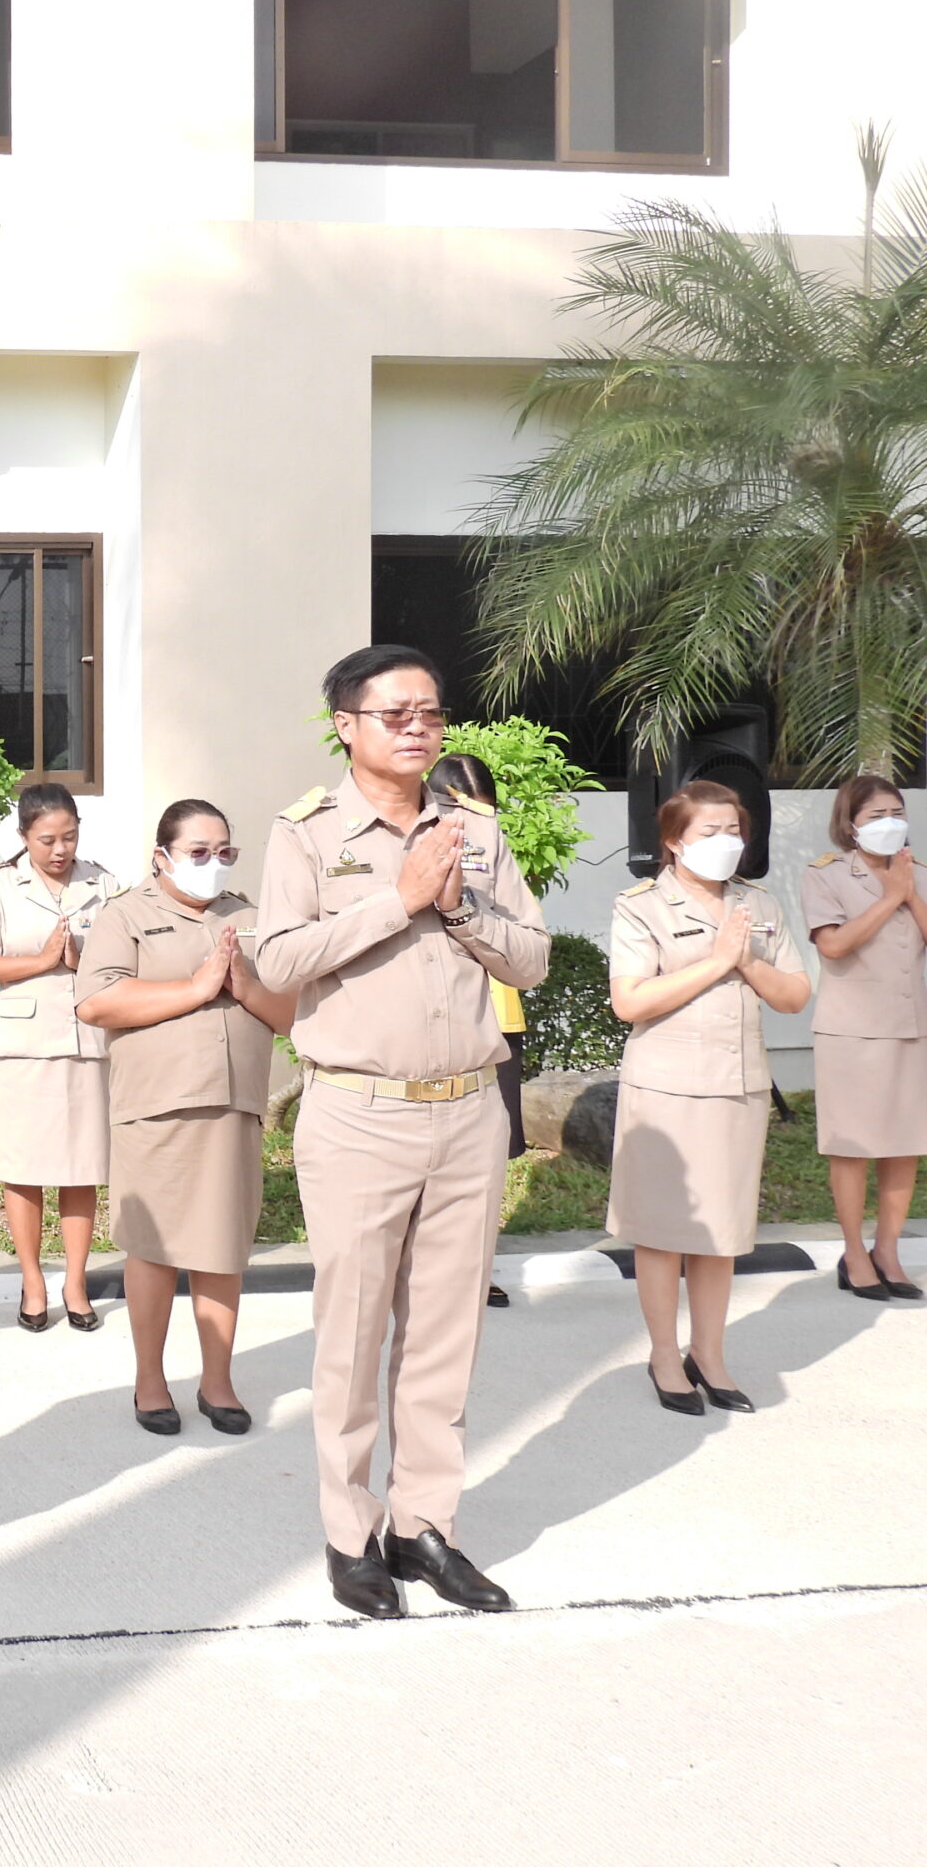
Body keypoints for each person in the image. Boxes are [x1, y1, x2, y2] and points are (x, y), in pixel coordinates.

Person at [254, 645, 549, 1620]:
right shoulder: (305, 835)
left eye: (431, 712)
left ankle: (424, 1528)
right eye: (396, 714)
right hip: (358, 1113)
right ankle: (351, 1537)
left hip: (467, 1109)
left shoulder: (475, 831)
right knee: (350, 1337)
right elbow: (279, 961)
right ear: (347, 726)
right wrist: (400, 900)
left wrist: (456, 904)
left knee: (443, 1334)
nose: (419, 727)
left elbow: (531, 958)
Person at [74, 801, 294, 1436]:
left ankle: (217, 1381)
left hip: (233, 1104)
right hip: (156, 1106)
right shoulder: (125, 915)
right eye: (198, 852)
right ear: (161, 856)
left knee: (222, 1245)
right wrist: (195, 990)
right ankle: (150, 1380)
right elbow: (97, 1001)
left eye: (225, 852)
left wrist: (245, 987)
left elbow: (294, 1015)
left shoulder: (250, 918)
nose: (213, 863)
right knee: (155, 1248)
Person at [609, 782, 812, 1414]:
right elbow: (630, 1001)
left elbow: (795, 995)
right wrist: (718, 961)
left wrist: (746, 961)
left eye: (734, 831)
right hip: (665, 1089)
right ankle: (664, 1355)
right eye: (709, 832)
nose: (727, 842)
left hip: (736, 1087)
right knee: (661, 1232)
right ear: (674, 842)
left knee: (722, 1231)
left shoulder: (758, 903)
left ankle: (710, 1353)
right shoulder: (642, 906)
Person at [0, 784, 121, 1331]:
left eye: (69, 837)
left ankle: (75, 1282)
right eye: (47, 839)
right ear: (24, 836)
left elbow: (128, 958)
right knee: (23, 1167)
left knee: (82, 1167)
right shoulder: (0, 886)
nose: (60, 849)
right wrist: (41, 960)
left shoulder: (103, 884)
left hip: (86, 1041)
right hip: (24, 1045)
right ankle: (31, 1280)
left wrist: (80, 960)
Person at [800, 774, 927, 1302]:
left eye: (897, 813)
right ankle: (854, 1253)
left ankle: (888, 1251)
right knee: (852, 1147)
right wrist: (889, 898)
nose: (890, 823)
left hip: (910, 1027)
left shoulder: (917, 873)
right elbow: (833, 945)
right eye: (877, 816)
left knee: (905, 1145)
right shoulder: (826, 874)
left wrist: (909, 892)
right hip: (850, 1032)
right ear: (850, 824)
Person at [430, 751, 527, 1311]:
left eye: (485, 810)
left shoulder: (496, 851)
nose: (475, 822)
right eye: (464, 810)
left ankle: (478, 1268)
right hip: (443, 1023)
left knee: (490, 1158)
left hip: (499, 1020)